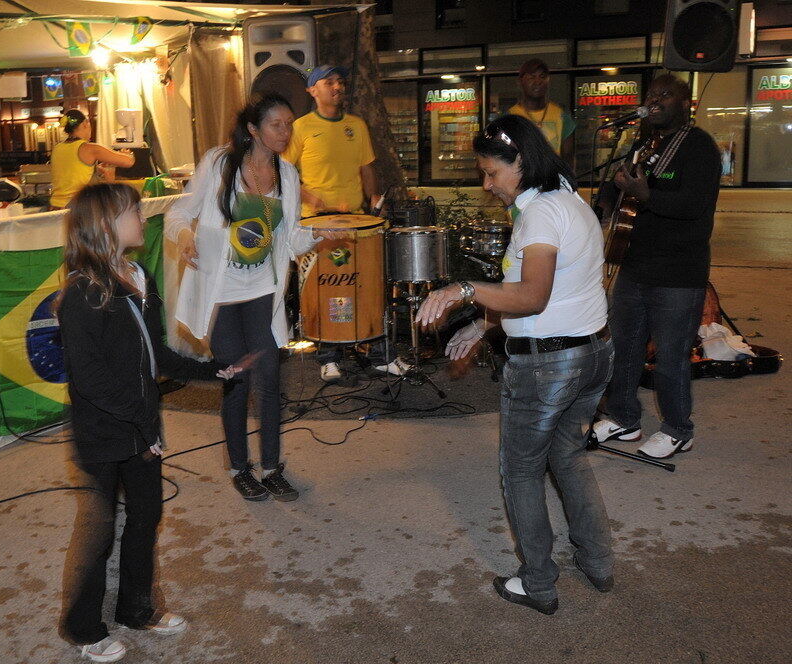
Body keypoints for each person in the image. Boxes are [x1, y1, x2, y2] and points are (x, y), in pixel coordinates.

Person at [416, 115, 614, 615]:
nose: (487, 185)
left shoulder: (541, 214)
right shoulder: (568, 200)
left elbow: (531, 296)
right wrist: (485, 325)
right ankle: (598, 564)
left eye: (490, 173)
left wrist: (461, 290)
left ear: (519, 162)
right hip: (591, 354)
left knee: (521, 470)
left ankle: (539, 583)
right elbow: (559, 295)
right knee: (567, 457)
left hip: (550, 367)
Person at [56, 183, 243, 662]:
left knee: (146, 517)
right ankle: (83, 628)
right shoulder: (82, 294)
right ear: (105, 224)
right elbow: (91, 382)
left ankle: (137, 609)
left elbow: (155, 354)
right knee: (98, 533)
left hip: (141, 426)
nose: (142, 216)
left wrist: (210, 370)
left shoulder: (140, 275)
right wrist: (143, 425)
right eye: (133, 211)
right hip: (103, 433)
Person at [165, 94, 331, 502]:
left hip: (263, 291)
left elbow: (290, 240)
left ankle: (272, 465)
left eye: (290, 124)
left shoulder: (288, 175)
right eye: (277, 124)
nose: (286, 132)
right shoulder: (221, 163)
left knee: (271, 378)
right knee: (235, 379)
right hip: (221, 292)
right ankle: (241, 467)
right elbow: (178, 214)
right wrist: (185, 236)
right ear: (254, 129)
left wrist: (319, 234)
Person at [590, 74, 721, 460]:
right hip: (634, 266)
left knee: (670, 356)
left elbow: (693, 205)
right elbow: (616, 188)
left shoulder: (699, 148)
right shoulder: (644, 144)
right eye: (651, 94)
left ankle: (679, 429)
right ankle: (624, 418)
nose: (655, 100)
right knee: (624, 349)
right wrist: (605, 197)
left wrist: (647, 195)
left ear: (685, 104)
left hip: (678, 273)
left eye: (666, 95)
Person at [283, 64, 410, 383]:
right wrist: (316, 202)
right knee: (325, 290)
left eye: (340, 81)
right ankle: (328, 357)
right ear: (313, 90)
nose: (337, 86)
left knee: (365, 287)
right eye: (329, 82)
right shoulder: (300, 128)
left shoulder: (357, 125)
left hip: (357, 225)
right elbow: (284, 176)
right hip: (317, 227)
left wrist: (374, 203)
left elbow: (367, 168)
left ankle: (379, 354)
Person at [49, 109, 137, 209]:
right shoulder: (88, 148)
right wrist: (128, 154)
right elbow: (128, 162)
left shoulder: (57, 148)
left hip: (55, 208)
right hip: (76, 208)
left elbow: (71, 172)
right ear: (85, 124)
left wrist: (97, 169)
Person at [508, 58, 575, 159]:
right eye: (532, 77)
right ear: (520, 82)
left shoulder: (561, 116)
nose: (538, 81)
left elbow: (568, 158)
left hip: (553, 174)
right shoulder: (510, 117)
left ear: (548, 81)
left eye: (542, 76)